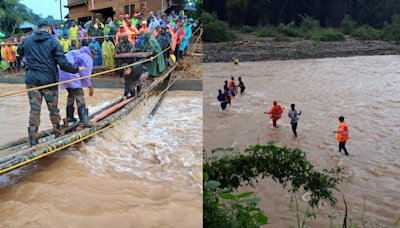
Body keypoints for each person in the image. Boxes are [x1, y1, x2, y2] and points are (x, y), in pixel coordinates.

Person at [17, 20, 86, 146]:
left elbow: (19, 52)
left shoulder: (27, 40)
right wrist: (77, 69)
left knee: (34, 110)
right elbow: (63, 64)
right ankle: (57, 133)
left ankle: (33, 139)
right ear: (49, 28)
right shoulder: (53, 41)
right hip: (49, 80)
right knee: (53, 109)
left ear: (38, 28)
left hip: (32, 80)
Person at [59, 45, 97, 127]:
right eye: (95, 54)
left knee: (71, 93)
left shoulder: (78, 52)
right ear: (92, 53)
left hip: (61, 72)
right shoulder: (88, 57)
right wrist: (90, 87)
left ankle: (69, 117)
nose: (94, 56)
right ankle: (83, 120)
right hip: (70, 71)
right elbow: (85, 75)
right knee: (79, 94)